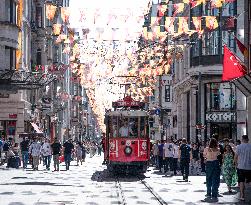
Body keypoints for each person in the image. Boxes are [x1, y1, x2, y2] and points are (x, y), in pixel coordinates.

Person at [203, 138, 221, 202]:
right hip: (216, 163)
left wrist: (206, 158)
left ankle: (208, 193)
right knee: (215, 179)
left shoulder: (206, 149)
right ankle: (214, 194)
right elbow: (218, 155)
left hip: (209, 163)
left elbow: (204, 156)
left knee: (208, 178)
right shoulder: (217, 149)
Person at [234, 135, 251, 201]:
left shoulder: (239, 147)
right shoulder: (250, 146)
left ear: (242, 139)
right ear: (248, 139)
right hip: (249, 167)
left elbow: (235, 157)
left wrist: (235, 164)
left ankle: (242, 195)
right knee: (250, 181)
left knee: (241, 181)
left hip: (240, 167)